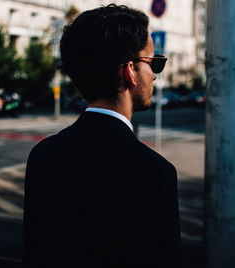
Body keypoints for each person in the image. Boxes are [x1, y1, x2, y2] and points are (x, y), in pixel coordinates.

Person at [23, 4, 181, 267]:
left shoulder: (43, 156)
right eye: (154, 62)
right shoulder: (155, 173)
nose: (154, 74)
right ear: (130, 70)